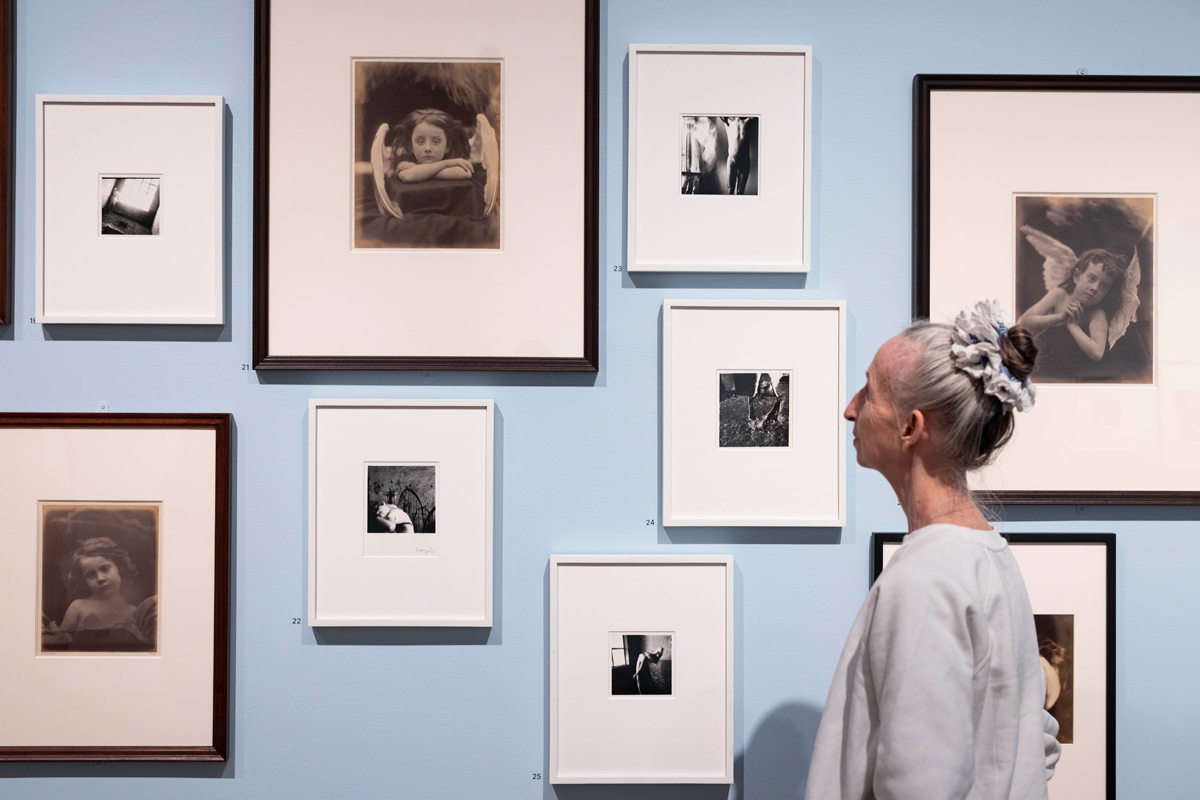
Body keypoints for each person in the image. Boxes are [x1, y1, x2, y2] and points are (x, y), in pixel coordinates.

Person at [806, 301, 1061, 800]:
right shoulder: (988, 556)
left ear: (911, 428)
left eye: (869, 391)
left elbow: (920, 783)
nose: (851, 408)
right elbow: (1036, 744)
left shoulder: (925, 578)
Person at [1017, 244, 1128, 363]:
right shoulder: (1059, 296)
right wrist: (1060, 317)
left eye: (1104, 286)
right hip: (1045, 356)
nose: (1095, 288)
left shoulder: (1096, 314)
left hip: (1073, 363)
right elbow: (1023, 321)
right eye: (1092, 279)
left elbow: (1097, 353)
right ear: (1077, 276)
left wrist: (1071, 324)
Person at [42, 537, 156, 651]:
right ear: (84, 581)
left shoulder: (132, 612)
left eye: (105, 569)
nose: (100, 578)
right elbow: (62, 642)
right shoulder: (79, 606)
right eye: (90, 575)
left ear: (119, 567)